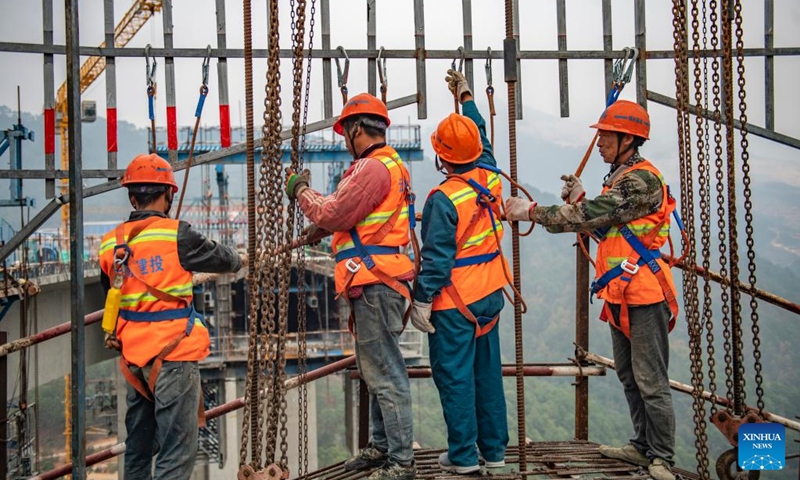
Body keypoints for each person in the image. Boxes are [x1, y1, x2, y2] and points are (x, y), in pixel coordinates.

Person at [504, 100, 678, 480]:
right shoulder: (621, 178)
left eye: (605, 136)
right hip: (621, 291)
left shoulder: (642, 182)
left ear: (627, 139)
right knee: (630, 376)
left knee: (650, 380)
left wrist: (531, 211)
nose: (599, 143)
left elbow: (589, 217)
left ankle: (662, 457)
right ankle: (642, 446)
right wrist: (582, 199)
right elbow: (609, 227)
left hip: (644, 293)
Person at [285, 93, 416, 480]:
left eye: (346, 131)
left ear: (357, 128)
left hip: (375, 281)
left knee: (385, 374)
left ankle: (401, 462)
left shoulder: (373, 168)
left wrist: (301, 191)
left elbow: (335, 211)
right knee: (376, 370)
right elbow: (353, 218)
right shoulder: (389, 165)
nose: (344, 139)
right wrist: (322, 228)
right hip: (375, 280)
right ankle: (383, 445)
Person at [98, 153, 243, 480]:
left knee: (138, 448)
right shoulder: (177, 235)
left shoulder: (110, 245)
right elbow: (224, 260)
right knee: (176, 452)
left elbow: (111, 295)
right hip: (173, 356)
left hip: (134, 362)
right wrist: (239, 259)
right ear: (168, 195)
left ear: (132, 197)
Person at [410, 70, 509, 474]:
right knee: (487, 374)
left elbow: (436, 260)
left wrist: (421, 301)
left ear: (441, 157)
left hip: (455, 303)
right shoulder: (490, 177)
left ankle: (465, 457)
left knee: (455, 376)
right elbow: (480, 136)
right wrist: (467, 96)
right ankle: (495, 452)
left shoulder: (443, 199)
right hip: (490, 295)